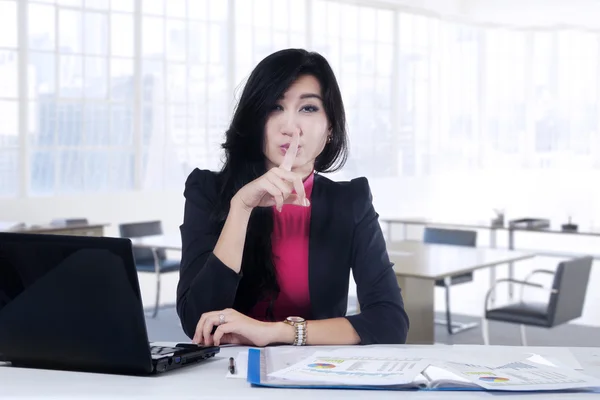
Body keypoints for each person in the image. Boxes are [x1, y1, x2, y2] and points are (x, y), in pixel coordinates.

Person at [176, 48, 409, 347]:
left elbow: (390, 322)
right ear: (255, 121)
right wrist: (241, 208)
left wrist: (274, 332)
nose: (290, 127)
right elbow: (196, 321)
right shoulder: (208, 190)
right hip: (227, 374)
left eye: (308, 108)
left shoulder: (350, 202)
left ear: (330, 128)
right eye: (275, 107)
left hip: (317, 374)